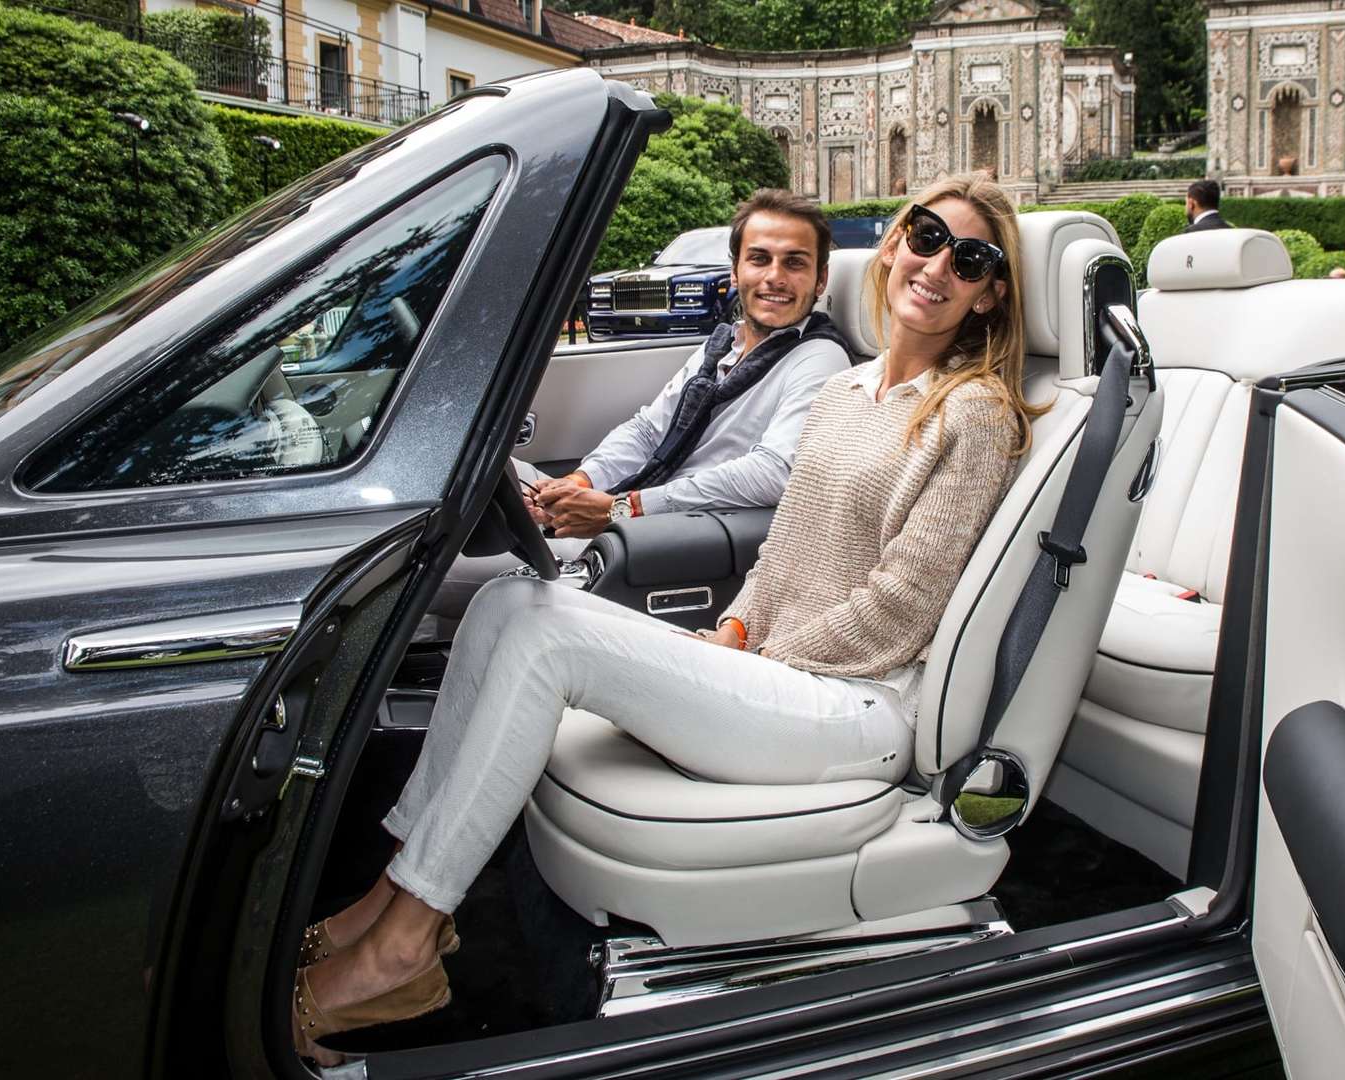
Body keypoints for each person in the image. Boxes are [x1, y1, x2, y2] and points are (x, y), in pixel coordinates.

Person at [289, 174, 1043, 1062]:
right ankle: (390, 897)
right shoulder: (847, 394)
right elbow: (784, 554)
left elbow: (902, 608)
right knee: (504, 604)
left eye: (971, 260)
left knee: (544, 633)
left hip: (859, 705)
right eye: (927, 236)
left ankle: (405, 948)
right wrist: (733, 631)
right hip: (787, 676)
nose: (938, 266)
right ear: (891, 245)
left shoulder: (976, 415)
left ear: (989, 294)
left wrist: (759, 659)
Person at [427, 189, 852, 627]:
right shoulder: (724, 346)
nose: (775, 277)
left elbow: (774, 473)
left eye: (794, 263)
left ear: (820, 280)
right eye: (759, 259)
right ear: (736, 270)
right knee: (462, 473)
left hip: (660, 542)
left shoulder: (819, 358)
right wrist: (579, 482)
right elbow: (649, 430)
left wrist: (620, 508)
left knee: (426, 565)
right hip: (635, 518)